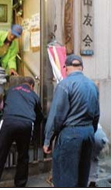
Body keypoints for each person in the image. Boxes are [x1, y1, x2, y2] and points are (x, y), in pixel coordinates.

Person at [43, 54, 100, 187]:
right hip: (88, 132)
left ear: (66, 68)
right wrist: (91, 131)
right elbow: (96, 114)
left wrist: (48, 139)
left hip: (70, 134)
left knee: (66, 176)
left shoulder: (65, 85)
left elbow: (57, 115)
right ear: (81, 68)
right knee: (82, 174)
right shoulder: (92, 85)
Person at [0, 76, 43, 187]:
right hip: (26, 123)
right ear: (32, 86)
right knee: (23, 155)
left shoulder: (11, 90)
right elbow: (39, 116)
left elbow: (1, 105)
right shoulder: (34, 95)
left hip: (8, 121)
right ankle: (20, 184)